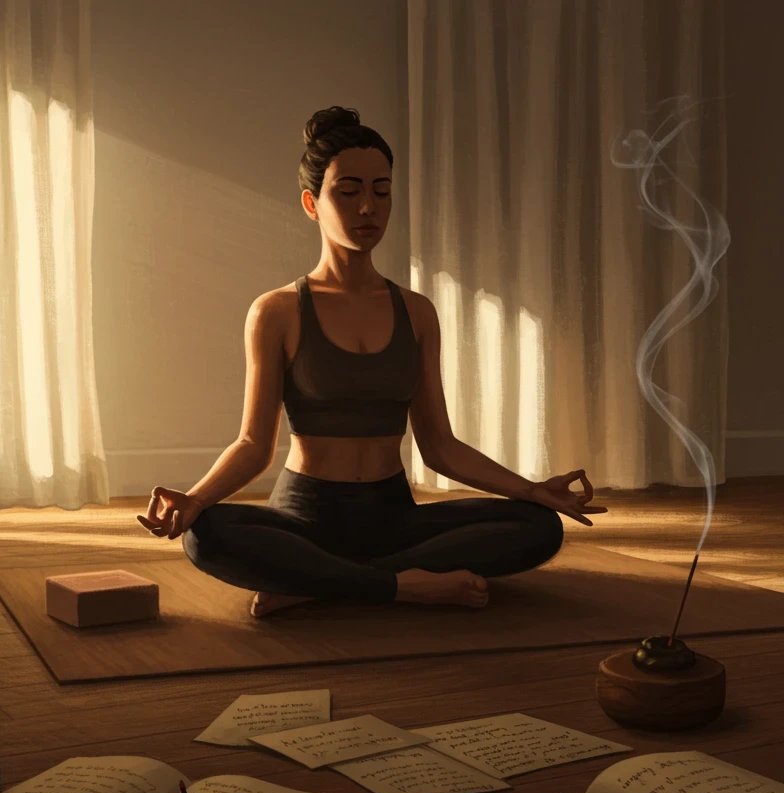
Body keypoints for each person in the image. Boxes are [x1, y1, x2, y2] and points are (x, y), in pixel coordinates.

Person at [137, 105, 607, 618]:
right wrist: (195, 499)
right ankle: (403, 584)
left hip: (392, 516)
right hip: (306, 516)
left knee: (538, 526)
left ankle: (319, 581)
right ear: (312, 203)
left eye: (382, 192)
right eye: (348, 191)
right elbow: (253, 445)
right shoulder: (277, 311)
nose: (368, 207)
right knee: (205, 534)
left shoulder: (416, 312)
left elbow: (440, 446)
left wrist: (533, 489)